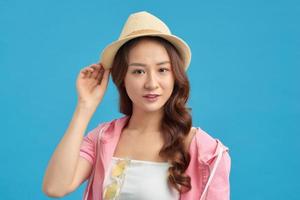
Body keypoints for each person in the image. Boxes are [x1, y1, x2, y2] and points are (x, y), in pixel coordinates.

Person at [42, 11, 231, 200]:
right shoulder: (101, 138)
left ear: (175, 77)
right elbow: (55, 187)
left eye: (162, 70)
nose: (151, 83)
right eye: (138, 71)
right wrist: (85, 106)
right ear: (122, 78)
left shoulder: (207, 152)